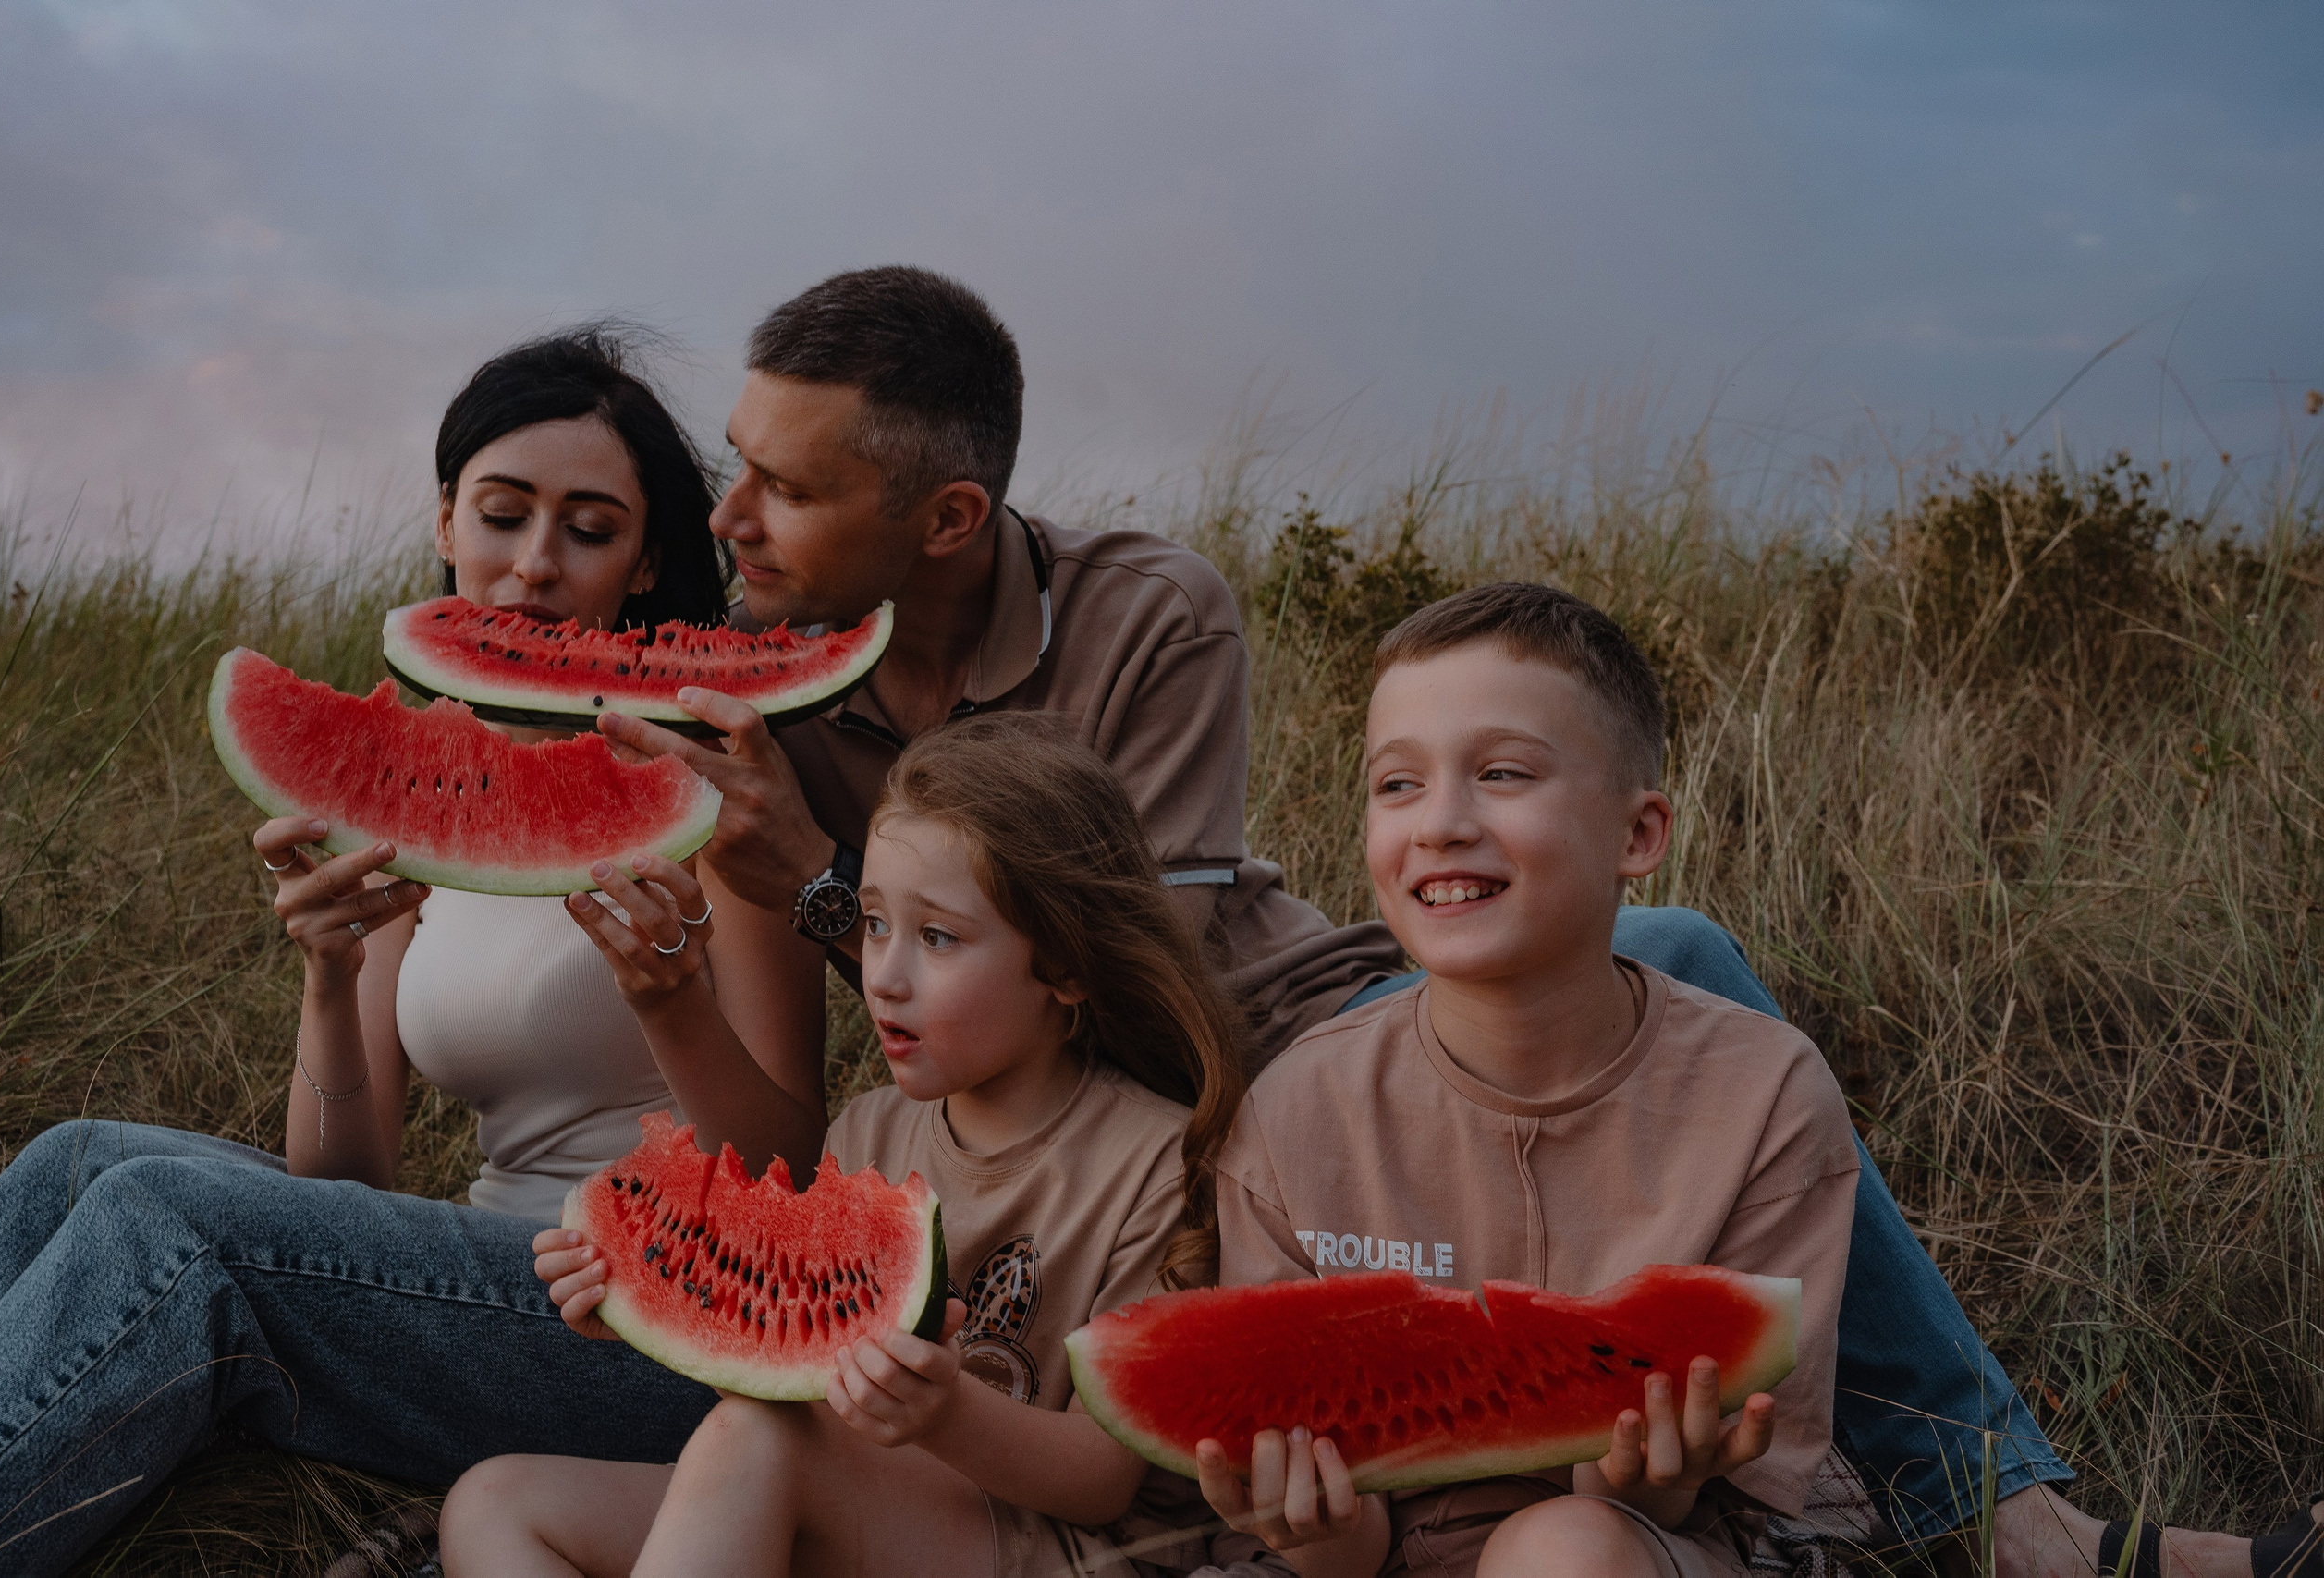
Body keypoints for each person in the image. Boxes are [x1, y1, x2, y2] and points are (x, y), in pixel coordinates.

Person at [605, 267, 2321, 1576]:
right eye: (733, 471)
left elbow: (1130, 951)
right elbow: (807, 1113)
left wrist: (829, 890)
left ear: (947, 516)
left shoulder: (1147, 610)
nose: (729, 522)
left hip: (1278, 1021)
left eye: (782, 488)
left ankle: (2003, 1517)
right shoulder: (761, 699)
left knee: (1699, 973)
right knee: (1678, 990)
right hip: (1179, 1120)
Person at [0, 328, 824, 1576]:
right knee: (79, 1157)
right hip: (482, 1278)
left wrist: (675, 1000)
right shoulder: (429, 781)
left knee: (169, 1218)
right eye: (503, 513)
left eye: (588, 528)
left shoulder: (714, 790)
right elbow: (342, 1173)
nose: (533, 564)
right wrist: (329, 974)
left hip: (664, 1321)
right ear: (444, 521)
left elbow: (790, 1166)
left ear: (642, 565)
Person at [439, 713, 1252, 1578]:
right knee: (496, 1504)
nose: (885, 974)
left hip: (1056, 1550)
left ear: (1067, 966)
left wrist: (943, 1414)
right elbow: (797, 1378)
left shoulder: (1156, 1164)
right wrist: (659, 1309)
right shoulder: (869, 1133)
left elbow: (1103, 1479)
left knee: (758, 1444)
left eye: (936, 936)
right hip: (869, 1512)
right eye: (872, 925)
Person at [1191, 581, 1854, 1577]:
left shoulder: (1760, 1096)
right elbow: (1341, 1548)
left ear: (1638, 837)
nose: (1441, 824)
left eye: (1502, 774)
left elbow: (1720, 1496)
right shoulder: (1296, 1113)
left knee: (1565, 1550)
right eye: (1397, 785)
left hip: (1657, 1548)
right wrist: (1315, 1525)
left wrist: (1644, 1479)